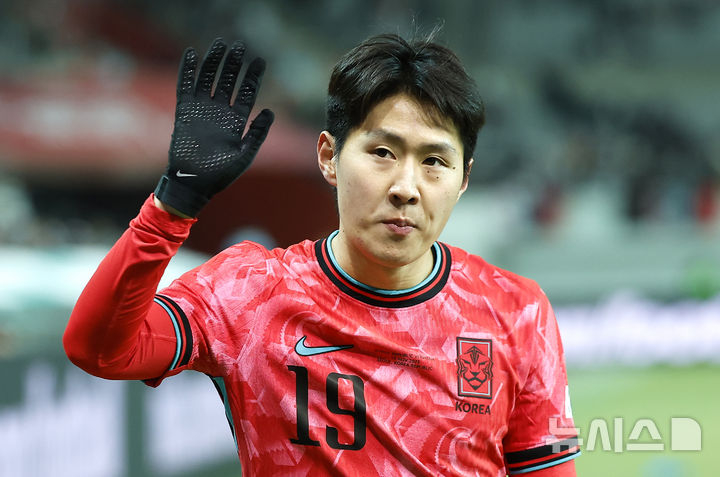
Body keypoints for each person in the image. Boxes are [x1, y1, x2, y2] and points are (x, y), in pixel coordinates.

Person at [64, 34, 580, 476]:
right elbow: (98, 350)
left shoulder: (517, 311)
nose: (406, 187)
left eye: (434, 161)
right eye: (382, 152)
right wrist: (172, 204)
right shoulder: (249, 294)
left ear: (463, 178)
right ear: (330, 157)